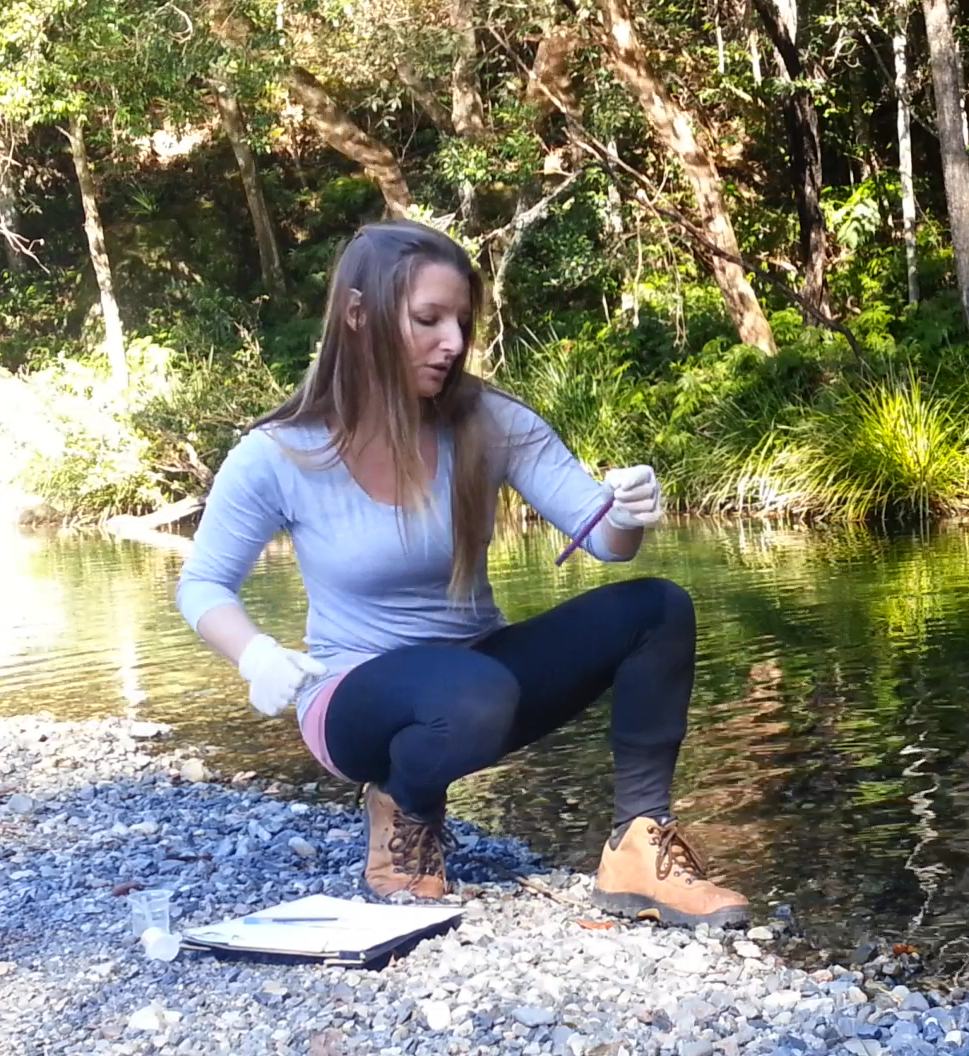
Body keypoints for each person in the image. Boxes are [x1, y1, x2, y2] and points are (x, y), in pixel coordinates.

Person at [173, 220, 749, 928]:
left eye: (461, 322)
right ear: (358, 315)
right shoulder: (281, 452)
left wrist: (629, 507)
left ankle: (638, 845)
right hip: (356, 697)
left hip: (481, 679)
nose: (453, 341)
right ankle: (403, 811)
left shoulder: (490, 422)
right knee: (470, 690)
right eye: (428, 319)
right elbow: (202, 584)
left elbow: (608, 543)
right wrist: (255, 655)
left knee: (658, 609)